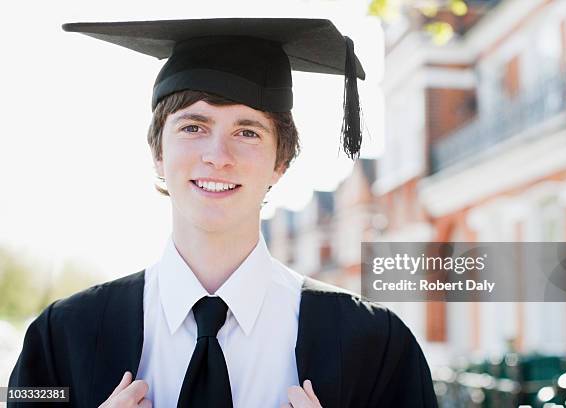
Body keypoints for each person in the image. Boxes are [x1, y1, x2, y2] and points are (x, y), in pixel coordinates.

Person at [8, 18, 438, 408]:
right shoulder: (59, 335)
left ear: (280, 163)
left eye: (247, 131)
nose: (218, 156)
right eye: (193, 127)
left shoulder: (376, 344)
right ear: (158, 153)